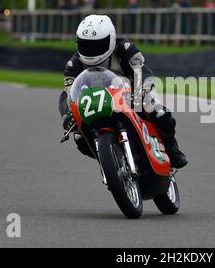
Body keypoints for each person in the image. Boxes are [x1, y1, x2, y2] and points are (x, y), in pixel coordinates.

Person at [58, 14, 188, 169]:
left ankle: (172, 148)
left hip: (130, 93)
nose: (91, 51)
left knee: (157, 112)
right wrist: (68, 115)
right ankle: (110, 159)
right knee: (79, 137)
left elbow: (141, 69)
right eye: (86, 45)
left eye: (97, 45)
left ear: (111, 39)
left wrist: (141, 93)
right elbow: (68, 92)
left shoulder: (124, 48)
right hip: (97, 103)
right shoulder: (73, 64)